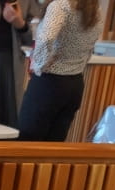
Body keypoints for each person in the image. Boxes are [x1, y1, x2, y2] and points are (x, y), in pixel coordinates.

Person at [17, 0, 101, 141]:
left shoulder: (60, 5)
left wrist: (37, 65)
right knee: (55, 145)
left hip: (50, 82)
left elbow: (46, 38)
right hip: (75, 83)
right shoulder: (94, 8)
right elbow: (91, 43)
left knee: (28, 141)